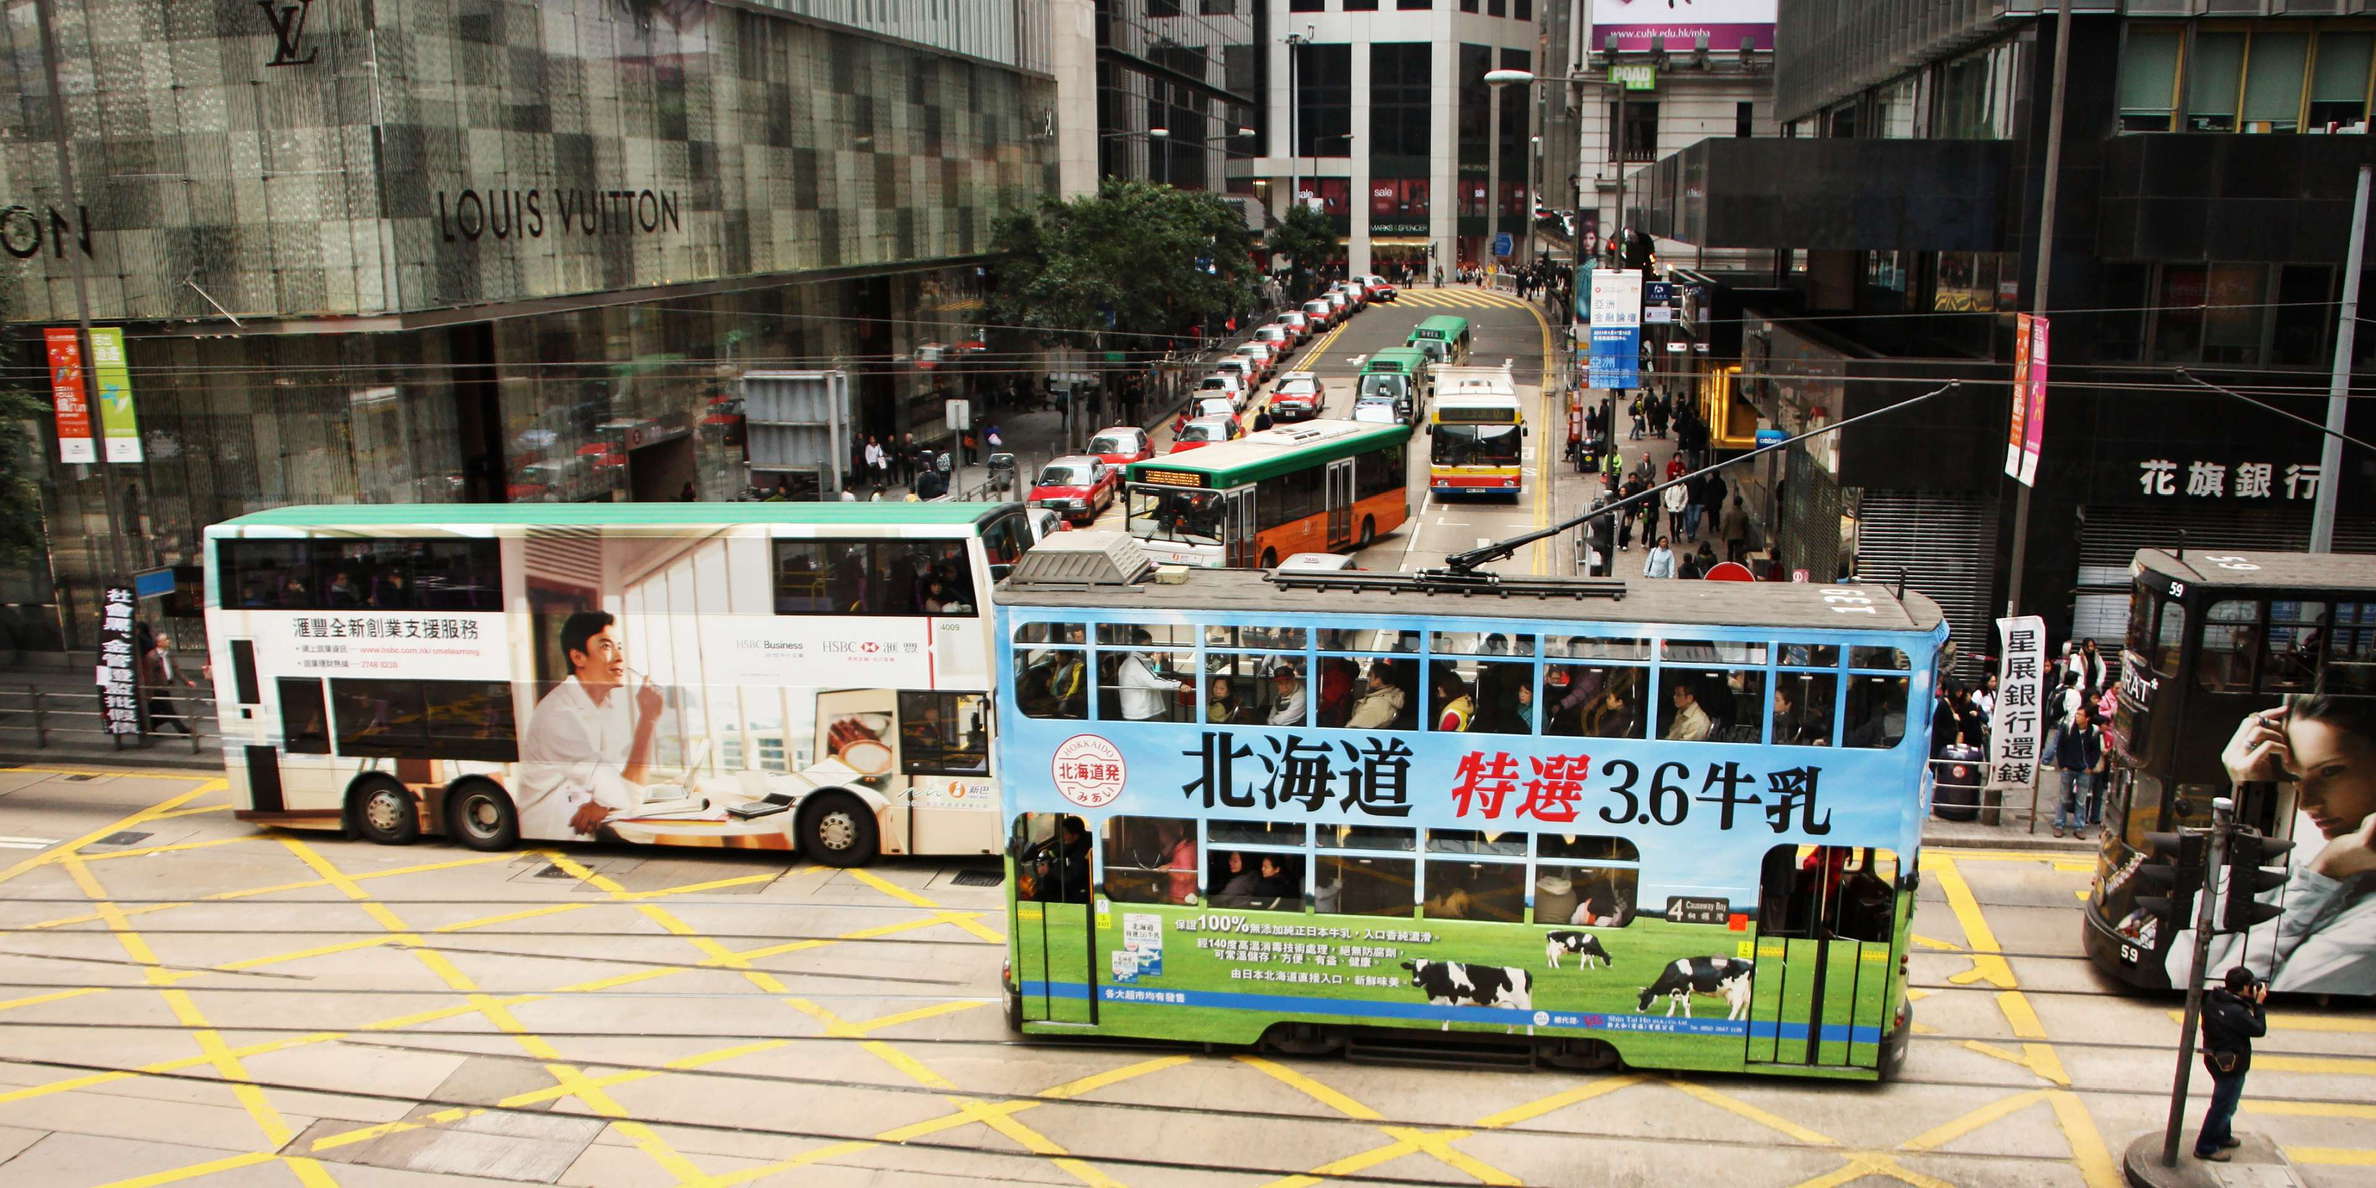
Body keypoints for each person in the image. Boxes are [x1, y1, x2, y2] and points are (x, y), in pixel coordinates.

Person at [2173, 697, 2376, 992]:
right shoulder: (2305, 859)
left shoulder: (2337, 884)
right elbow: (2183, 972)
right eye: (2295, 776)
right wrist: (2254, 802)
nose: (2306, 802)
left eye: (2330, 772)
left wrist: (2324, 872)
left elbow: (2227, 990)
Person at [517, 611, 666, 840]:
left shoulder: (603, 707)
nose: (619, 657)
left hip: (588, 837)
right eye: (606, 646)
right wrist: (648, 719)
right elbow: (626, 797)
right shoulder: (560, 715)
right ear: (578, 657)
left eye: (619, 646)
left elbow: (617, 786)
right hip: (554, 842)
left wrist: (603, 802)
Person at [2194, 967, 2268, 1163]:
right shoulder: (2236, 1011)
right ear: (2244, 987)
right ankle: (2206, 1146)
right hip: (2231, 1064)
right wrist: (2258, 1004)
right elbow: (2259, 1029)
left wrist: (2248, 1000)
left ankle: (2223, 1136)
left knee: (2224, 1101)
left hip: (2214, 1058)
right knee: (2224, 1106)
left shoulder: (2214, 998)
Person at [2049, 704, 2103, 839]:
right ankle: (2059, 824)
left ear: (2087, 718)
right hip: (2068, 767)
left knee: (2081, 800)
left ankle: (2079, 827)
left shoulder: (2094, 731)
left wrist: (2089, 766)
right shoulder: (2068, 728)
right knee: (2063, 798)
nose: (2076, 717)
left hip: (2084, 770)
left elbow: (2096, 751)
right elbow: (2060, 747)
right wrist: (2063, 764)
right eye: (2077, 714)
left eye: (2080, 715)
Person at [141, 632, 196, 739]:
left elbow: (175, 669)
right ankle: (183, 731)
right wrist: (150, 691)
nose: (168, 641)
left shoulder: (167, 654)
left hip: (166, 685)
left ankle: (150, 727)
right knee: (169, 709)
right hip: (158, 688)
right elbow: (149, 675)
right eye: (165, 640)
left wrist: (187, 681)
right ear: (159, 643)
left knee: (158, 710)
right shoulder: (151, 657)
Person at [1346, 661, 1407, 730]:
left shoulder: (1377, 704)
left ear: (1378, 680)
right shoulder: (1390, 695)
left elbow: (1352, 728)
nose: (1368, 677)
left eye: (1370, 675)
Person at [1157, 821, 1198, 905]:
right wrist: (1170, 865)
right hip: (1187, 894)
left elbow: (1187, 876)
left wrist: (1169, 870)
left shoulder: (1185, 851)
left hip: (1182, 896)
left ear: (1182, 831)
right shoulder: (1193, 847)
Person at [1721, 495, 1750, 563]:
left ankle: (1729, 564)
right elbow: (1746, 527)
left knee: (1730, 552)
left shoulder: (1729, 514)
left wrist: (1723, 536)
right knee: (1738, 553)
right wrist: (1747, 538)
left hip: (1730, 536)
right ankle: (1737, 564)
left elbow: (1725, 526)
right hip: (1740, 537)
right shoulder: (1744, 514)